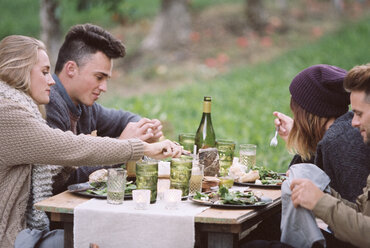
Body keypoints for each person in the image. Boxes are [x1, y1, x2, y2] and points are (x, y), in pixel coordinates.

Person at [0, 35, 182, 248]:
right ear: (18, 70)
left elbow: (64, 158)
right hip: (12, 237)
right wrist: (142, 148)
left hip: (27, 230)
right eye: (44, 72)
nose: (51, 80)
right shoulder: (7, 112)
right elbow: (70, 147)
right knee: (109, 237)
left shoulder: (25, 107)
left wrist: (143, 134)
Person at [45, 23, 165, 193]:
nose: (104, 87)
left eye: (106, 79)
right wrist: (121, 148)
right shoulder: (48, 104)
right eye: (99, 77)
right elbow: (62, 180)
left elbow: (124, 119)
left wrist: (145, 128)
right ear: (71, 68)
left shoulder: (85, 106)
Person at [289, 63, 370, 248]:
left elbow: (359, 232)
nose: (354, 122)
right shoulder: (340, 136)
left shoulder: (341, 141)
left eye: (358, 113)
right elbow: (359, 210)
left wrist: (320, 201)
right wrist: (321, 192)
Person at [273, 64, 370, 202]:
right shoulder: (342, 131)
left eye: (296, 110)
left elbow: (355, 212)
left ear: (307, 112)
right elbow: (316, 173)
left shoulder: (339, 142)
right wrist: (300, 135)